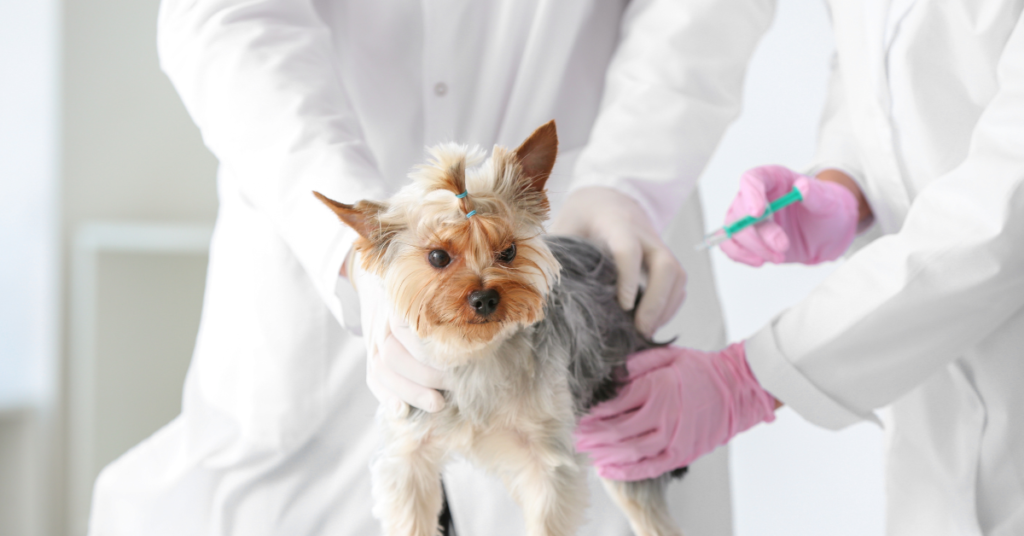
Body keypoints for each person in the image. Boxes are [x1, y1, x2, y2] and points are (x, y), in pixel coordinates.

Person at [88, 2, 777, 535]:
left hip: (596, 226)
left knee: (615, 481)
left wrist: (629, 176)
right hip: (313, 276)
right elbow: (228, 17)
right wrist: (357, 254)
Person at [575, 1, 1024, 535]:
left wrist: (751, 376)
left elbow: (1004, 208)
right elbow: (875, 73)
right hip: (936, 442)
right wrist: (844, 182)